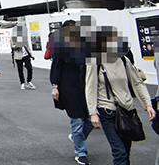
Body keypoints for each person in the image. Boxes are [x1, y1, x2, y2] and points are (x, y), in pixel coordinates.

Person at [85, 26, 156, 165]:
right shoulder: (95, 61)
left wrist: (148, 104)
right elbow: (90, 87)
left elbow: (137, 83)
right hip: (107, 111)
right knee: (120, 153)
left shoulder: (123, 60)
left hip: (127, 110)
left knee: (126, 151)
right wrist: (93, 112)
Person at [50, 20, 93, 165]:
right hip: (68, 87)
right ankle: (80, 153)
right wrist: (54, 86)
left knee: (91, 119)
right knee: (77, 121)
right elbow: (55, 67)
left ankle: (77, 138)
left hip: (85, 88)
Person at [11, 25, 36, 90]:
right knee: (20, 70)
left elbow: (27, 46)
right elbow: (12, 46)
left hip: (26, 54)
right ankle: (22, 83)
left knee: (29, 68)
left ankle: (29, 81)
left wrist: (31, 55)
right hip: (18, 55)